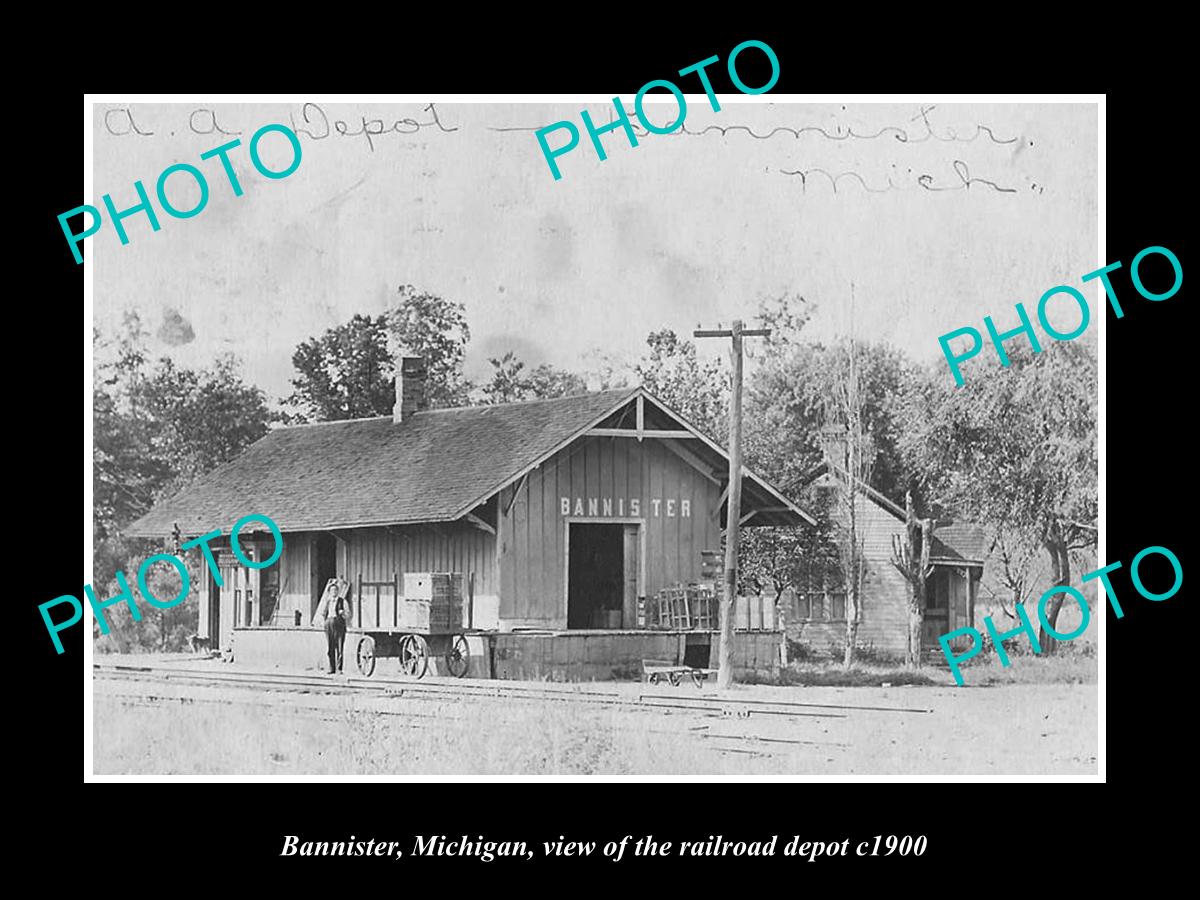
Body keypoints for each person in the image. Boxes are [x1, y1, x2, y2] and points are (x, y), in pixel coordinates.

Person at [311, 577, 353, 674]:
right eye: (331, 590)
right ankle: (331, 668)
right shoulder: (328, 601)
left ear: (338, 591)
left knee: (339, 647)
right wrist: (324, 622)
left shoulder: (343, 601)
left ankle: (339, 669)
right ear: (329, 592)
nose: (333, 592)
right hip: (329, 624)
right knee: (330, 647)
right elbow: (323, 613)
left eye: (335, 590)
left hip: (339, 624)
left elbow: (349, 615)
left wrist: (343, 613)